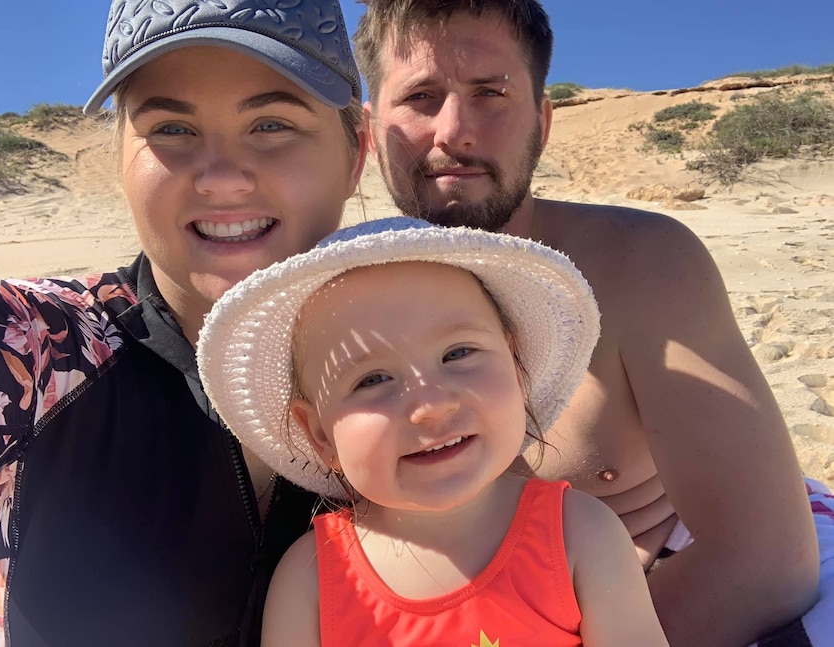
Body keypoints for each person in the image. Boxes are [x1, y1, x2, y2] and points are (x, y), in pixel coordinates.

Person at [352, 1, 834, 646]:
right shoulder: (329, 304)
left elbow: (765, 561)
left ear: (544, 123)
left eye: (490, 93)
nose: (455, 131)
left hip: (689, 575)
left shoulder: (638, 262)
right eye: (420, 96)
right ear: (369, 130)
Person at [0, 1, 366, 644]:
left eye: (270, 123)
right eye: (172, 130)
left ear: (357, 152)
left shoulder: (428, 370)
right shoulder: (28, 350)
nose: (220, 180)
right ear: (119, 158)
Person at [197, 216, 669, 646]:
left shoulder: (578, 534)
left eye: (458, 353)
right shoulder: (312, 578)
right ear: (321, 435)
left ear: (516, 367)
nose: (431, 405)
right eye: (373, 380)